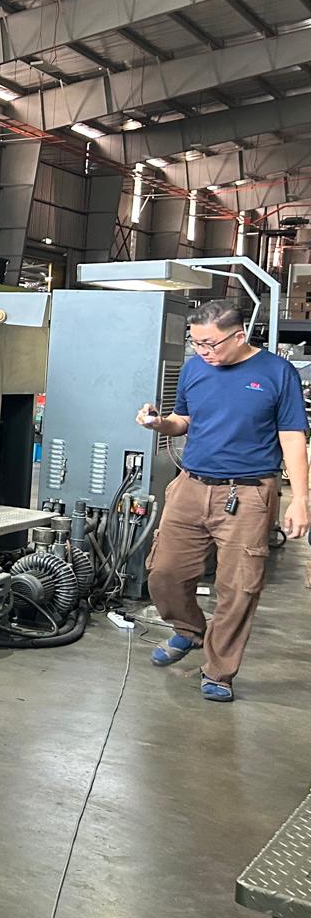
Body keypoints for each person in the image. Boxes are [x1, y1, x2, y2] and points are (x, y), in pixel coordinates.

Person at [136, 298, 309, 701]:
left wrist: (301, 499)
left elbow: (292, 438)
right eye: (195, 343)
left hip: (247, 493)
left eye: (210, 344)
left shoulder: (276, 373)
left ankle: (219, 671)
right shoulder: (195, 368)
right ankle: (189, 630)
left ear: (239, 335)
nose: (202, 352)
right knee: (163, 573)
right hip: (191, 485)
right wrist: (160, 423)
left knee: (239, 587)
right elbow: (184, 420)